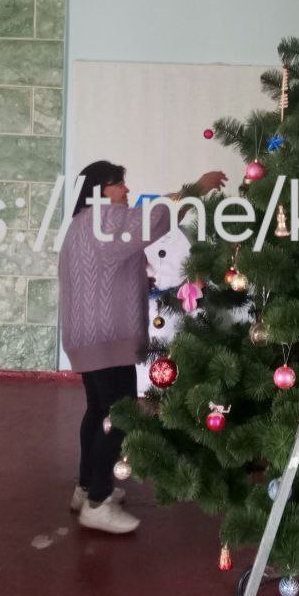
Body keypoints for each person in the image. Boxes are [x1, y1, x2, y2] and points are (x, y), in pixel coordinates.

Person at [60, 160, 227, 534]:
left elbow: (110, 267)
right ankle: (98, 502)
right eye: (119, 184)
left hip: (86, 336)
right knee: (120, 414)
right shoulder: (105, 219)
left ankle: (85, 487)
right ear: (101, 190)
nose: (126, 191)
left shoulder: (82, 223)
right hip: (107, 337)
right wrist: (198, 187)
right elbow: (156, 217)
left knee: (97, 410)